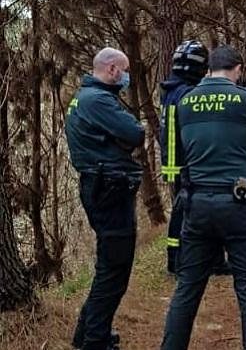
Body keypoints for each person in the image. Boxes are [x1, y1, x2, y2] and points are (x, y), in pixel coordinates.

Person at [160, 45, 246, 350]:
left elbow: (179, 154)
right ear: (237, 69)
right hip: (239, 204)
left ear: (210, 69)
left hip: (196, 205)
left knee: (187, 289)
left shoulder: (184, 102)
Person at [66, 47, 144, 350]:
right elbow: (135, 133)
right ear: (112, 69)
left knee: (108, 265)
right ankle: (95, 340)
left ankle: (87, 331)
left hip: (100, 186)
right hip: (109, 189)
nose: (126, 77)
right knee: (115, 269)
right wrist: (129, 133)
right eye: (124, 71)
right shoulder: (98, 100)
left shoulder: (84, 97)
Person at [159, 40, 208, 276]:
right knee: (184, 210)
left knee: (186, 209)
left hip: (175, 161)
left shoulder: (172, 90)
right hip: (183, 162)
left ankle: (189, 259)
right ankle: (175, 262)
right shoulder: (185, 94)